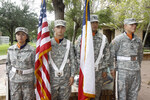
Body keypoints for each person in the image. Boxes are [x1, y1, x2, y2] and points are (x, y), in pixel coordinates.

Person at [75, 15, 110, 100]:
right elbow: (78, 55)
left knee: (96, 96)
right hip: (86, 73)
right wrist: (83, 69)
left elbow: (107, 55)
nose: (94, 24)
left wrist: (105, 69)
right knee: (85, 96)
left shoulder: (103, 38)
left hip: (99, 72)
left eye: (96, 22)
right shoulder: (82, 38)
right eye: (92, 22)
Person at [110, 18, 143, 100]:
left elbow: (140, 55)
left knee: (134, 93)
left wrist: (137, 66)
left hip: (135, 71)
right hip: (122, 72)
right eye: (131, 25)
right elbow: (110, 54)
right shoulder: (118, 39)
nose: (134, 26)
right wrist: (112, 68)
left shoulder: (138, 40)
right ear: (125, 26)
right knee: (122, 94)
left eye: (135, 24)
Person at [48, 19, 76, 100]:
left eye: (62, 27)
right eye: (58, 27)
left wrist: (72, 75)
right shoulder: (48, 44)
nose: (60, 29)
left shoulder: (69, 44)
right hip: (52, 78)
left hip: (65, 79)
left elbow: (73, 60)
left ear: (65, 29)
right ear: (54, 29)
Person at [6, 27, 35, 100]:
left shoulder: (32, 50)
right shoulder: (10, 49)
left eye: (23, 34)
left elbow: (35, 66)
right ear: (15, 36)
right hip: (14, 80)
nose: (20, 36)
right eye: (18, 34)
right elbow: (8, 64)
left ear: (26, 36)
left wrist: (35, 80)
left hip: (28, 80)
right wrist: (8, 77)